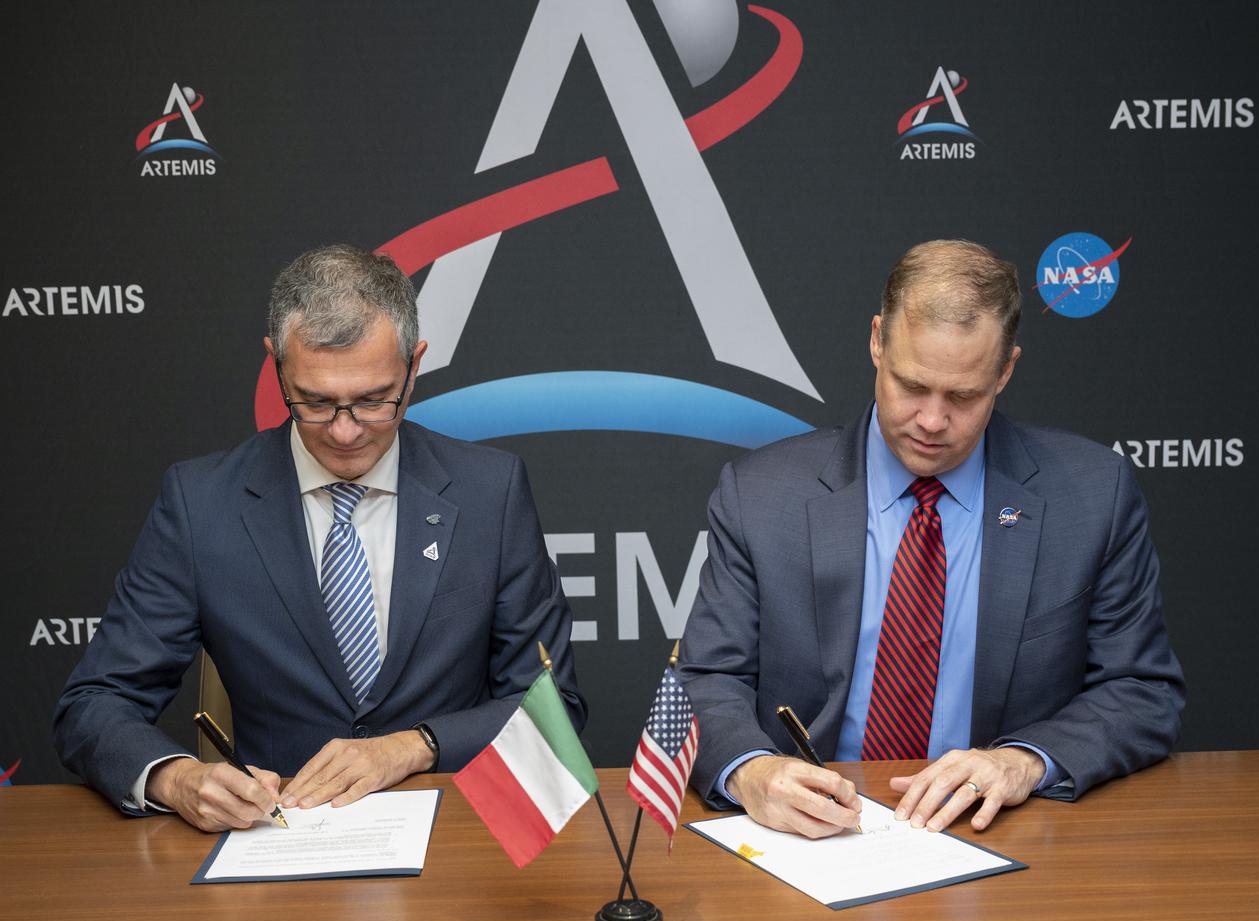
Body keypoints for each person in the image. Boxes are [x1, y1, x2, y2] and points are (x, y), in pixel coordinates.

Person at [54, 244, 584, 832]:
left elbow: (552, 705)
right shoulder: (202, 503)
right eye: (314, 402)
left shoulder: (492, 492)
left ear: (415, 365)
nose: (345, 431)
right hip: (275, 842)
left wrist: (414, 746)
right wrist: (176, 778)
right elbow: (94, 703)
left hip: (456, 838)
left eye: (373, 400)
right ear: (276, 365)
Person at [677, 239, 1184, 838]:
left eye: (964, 396)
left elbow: (1140, 689)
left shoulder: (1093, 496)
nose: (933, 420)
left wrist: (1023, 762)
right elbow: (706, 680)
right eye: (912, 385)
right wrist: (753, 772)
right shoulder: (761, 496)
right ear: (876, 342)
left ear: (1006, 371)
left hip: (997, 835)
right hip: (817, 841)